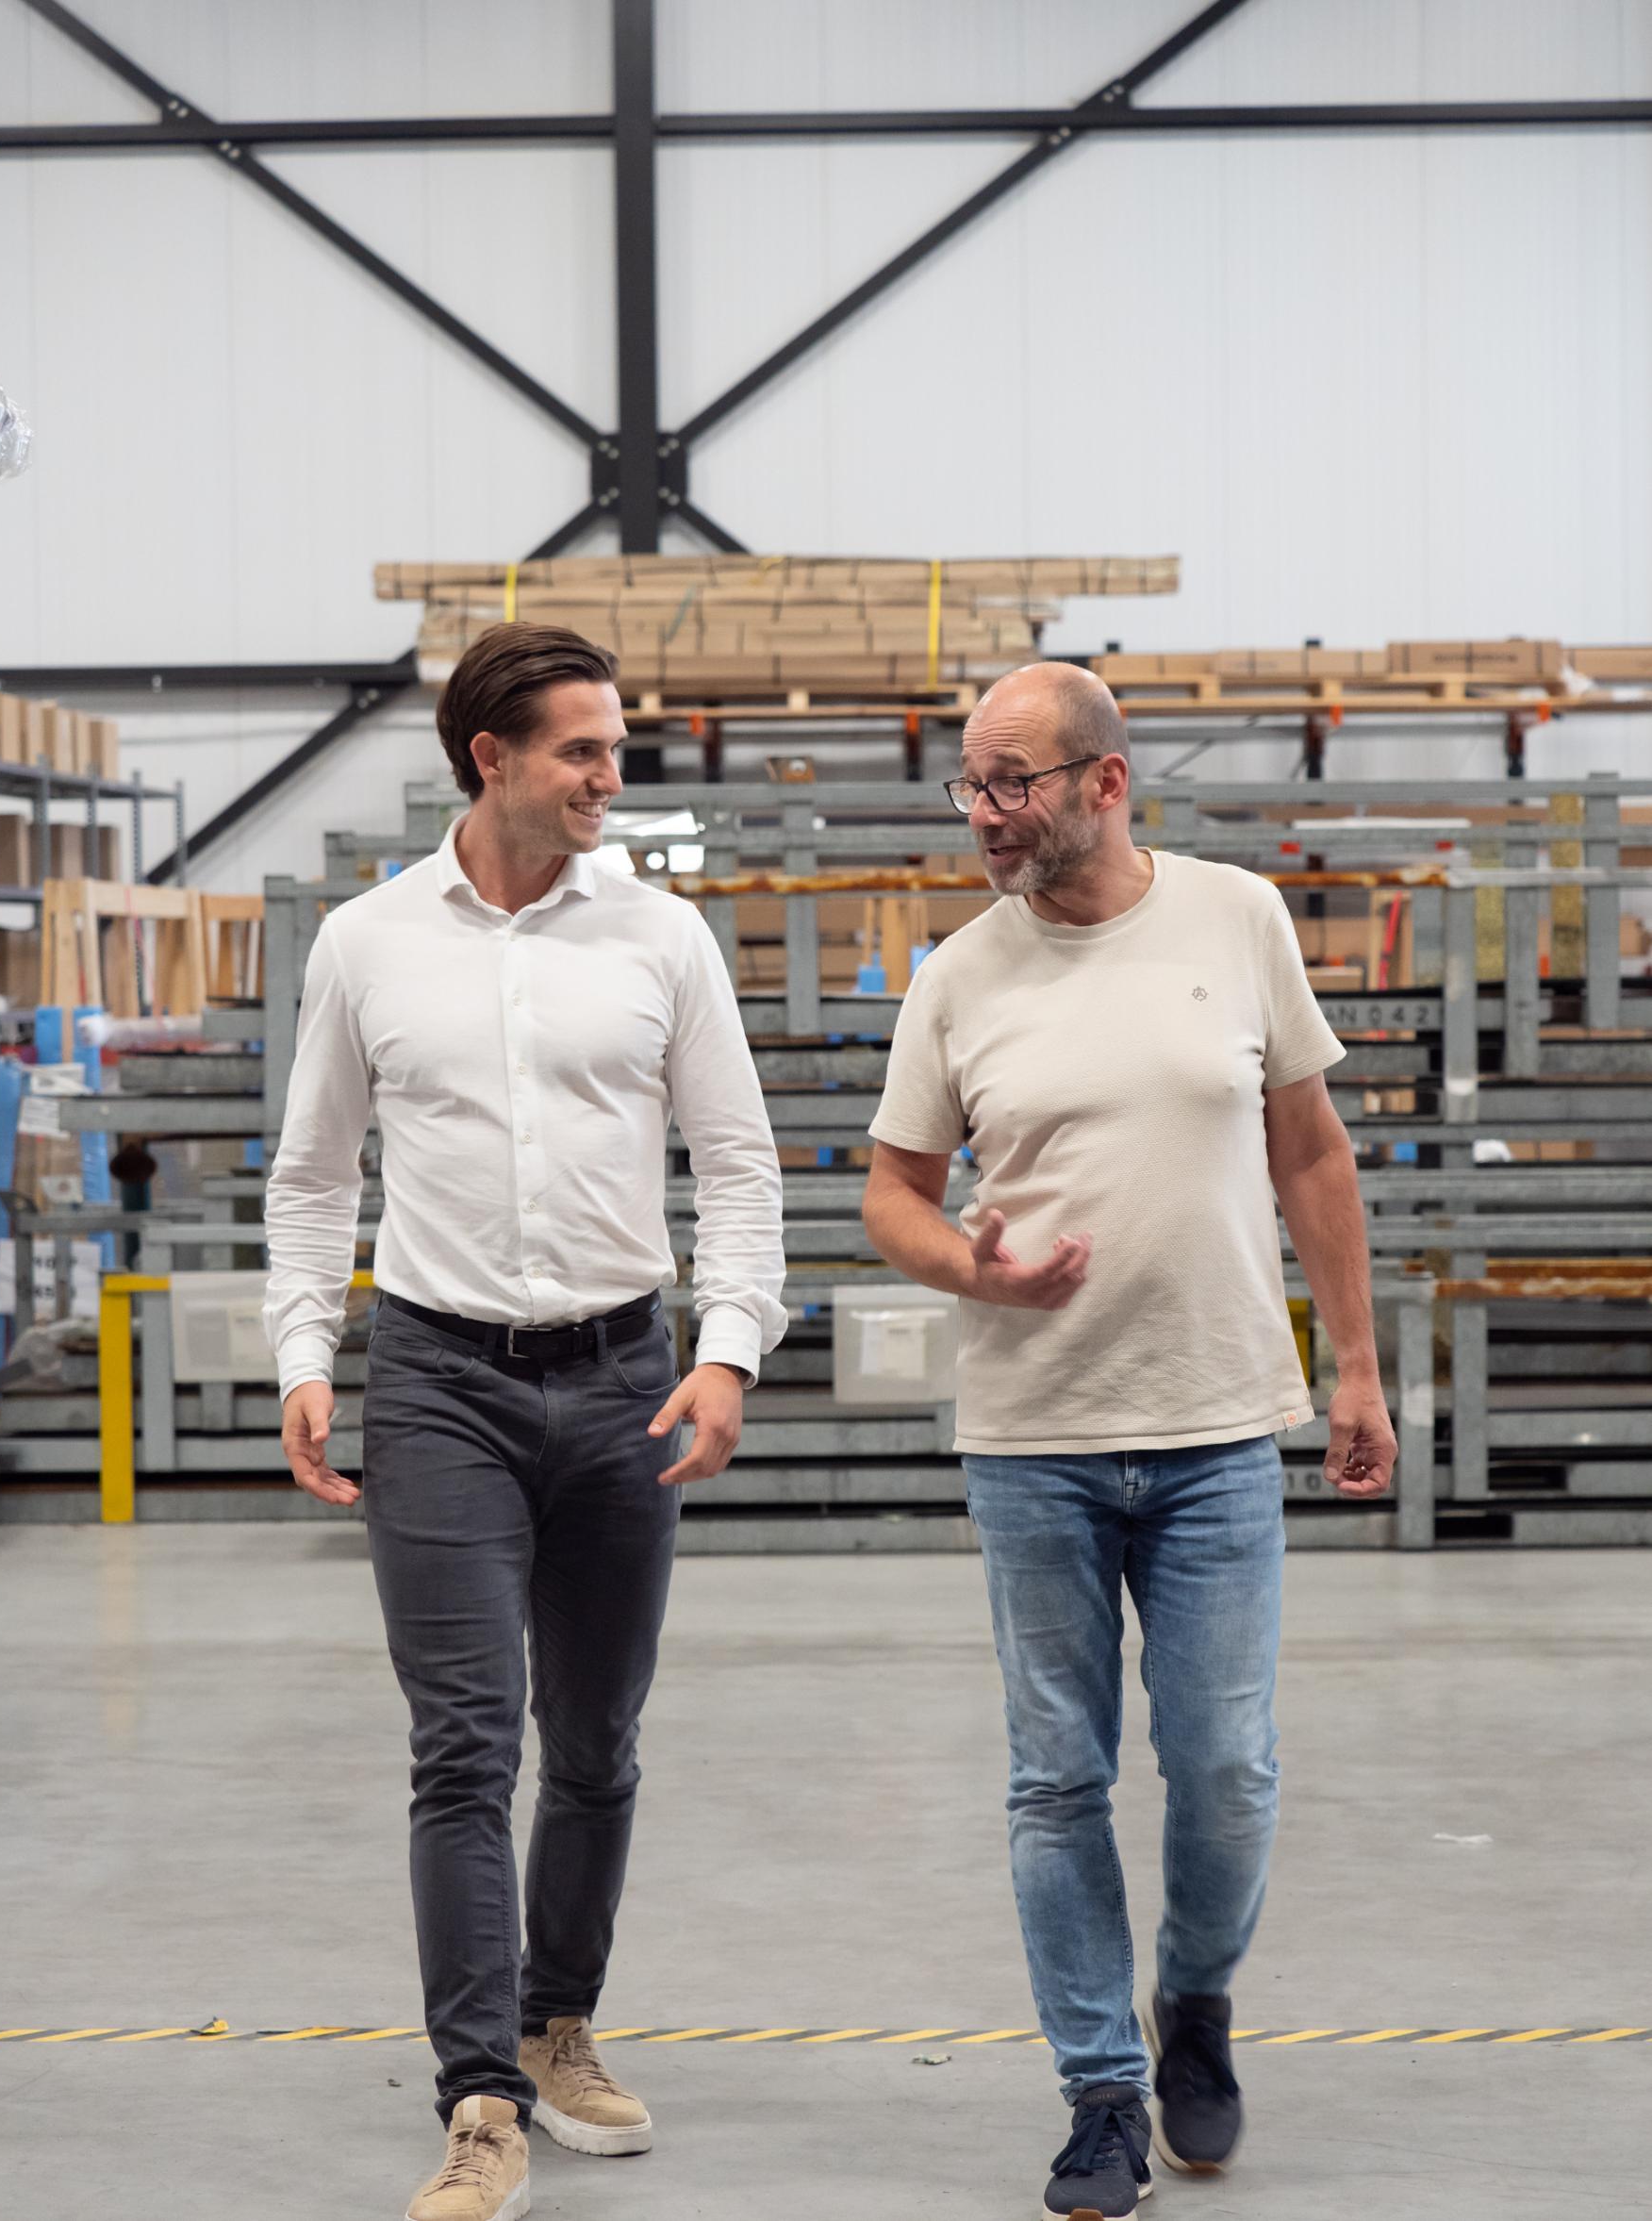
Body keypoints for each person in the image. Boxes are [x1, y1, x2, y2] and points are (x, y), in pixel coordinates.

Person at [264, 624, 785, 2221]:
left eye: (614, 748)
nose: (609, 778)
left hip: (627, 1381)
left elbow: (740, 1162)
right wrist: (304, 1349)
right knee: (464, 1743)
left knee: (600, 1743)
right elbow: (312, 1175)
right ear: (487, 756)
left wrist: (730, 1353)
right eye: (582, 750)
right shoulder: (364, 943)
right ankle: (478, 2093)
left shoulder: (660, 937)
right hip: (438, 1383)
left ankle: (560, 2022)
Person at [862, 662, 1396, 2221]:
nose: (983, 812)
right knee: (1055, 1780)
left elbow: (1309, 1150)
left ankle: (1198, 2000)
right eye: (968, 783)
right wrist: (972, 1267)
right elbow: (890, 1192)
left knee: (1224, 1767)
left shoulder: (1233, 920)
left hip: (1219, 1421)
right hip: (1032, 1439)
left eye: (1011, 780)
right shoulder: (957, 975)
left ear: (1104, 782)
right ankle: (1099, 2091)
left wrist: (1353, 1367)